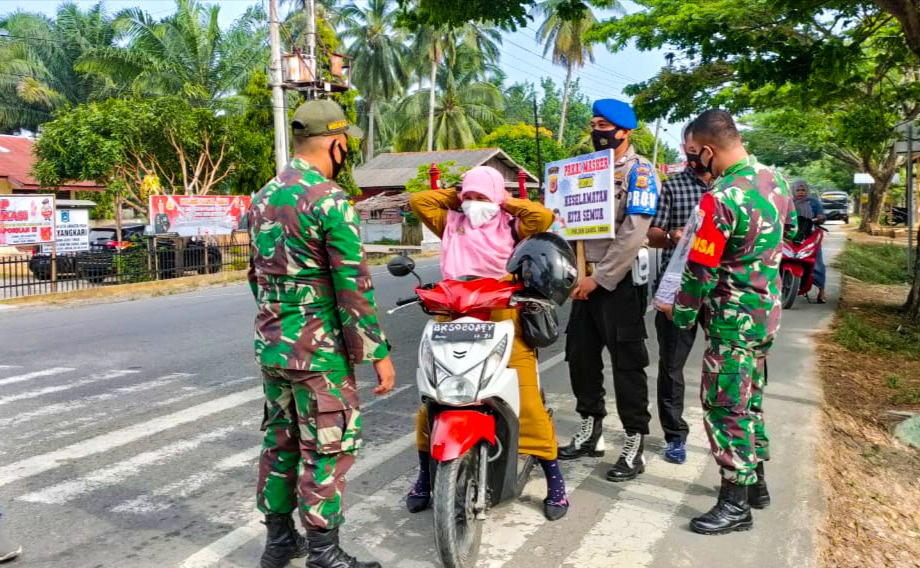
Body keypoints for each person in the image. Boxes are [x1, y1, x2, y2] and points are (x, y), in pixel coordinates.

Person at [248, 99, 395, 568]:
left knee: (280, 442)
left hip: (274, 345)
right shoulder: (329, 199)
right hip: (319, 353)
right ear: (335, 143)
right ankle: (324, 553)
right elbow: (353, 286)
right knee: (326, 448)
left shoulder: (262, 196)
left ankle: (278, 542)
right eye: (345, 141)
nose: (346, 148)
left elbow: (256, 276)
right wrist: (377, 353)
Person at [658, 110, 797, 535]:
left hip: (731, 321)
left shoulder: (720, 197)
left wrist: (678, 312)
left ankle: (735, 504)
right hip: (764, 314)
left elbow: (700, 270)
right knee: (750, 398)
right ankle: (757, 486)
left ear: (707, 149)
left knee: (725, 407)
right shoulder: (775, 180)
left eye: (691, 155)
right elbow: (787, 233)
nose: (691, 163)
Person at [406, 166, 570, 521]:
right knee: (434, 400)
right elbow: (419, 201)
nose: (474, 205)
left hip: (502, 315)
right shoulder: (452, 221)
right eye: (469, 198)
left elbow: (541, 217)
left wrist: (503, 201)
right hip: (452, 313)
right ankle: (423, 477)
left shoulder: (513, 225)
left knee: (524, 401)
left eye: (482, 198)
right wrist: (459, 195)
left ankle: (555, 479)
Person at [558, 98, 660, 485]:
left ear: (624, 131)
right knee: (580, 358)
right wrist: (574, 275)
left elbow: (635, 231)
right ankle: (591, 429)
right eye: (594, 123)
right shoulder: (582, 170)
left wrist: (599, 278)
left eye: (604, 125)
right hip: (581, 281)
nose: (597, 131)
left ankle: (634, 443)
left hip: (618, 282)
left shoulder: (641, 172)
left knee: (627, 365)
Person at [647, 130, 713, 465]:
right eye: (686, 148)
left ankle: (732, 440)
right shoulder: (672, 185)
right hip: (677, 288)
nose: (692, 154)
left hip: (719, 290)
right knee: (671, 366)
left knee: (726, 367)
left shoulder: (730, 188)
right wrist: (673, 237)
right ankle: (675, 436)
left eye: (696, 148)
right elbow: (653, 234)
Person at [792, 179, 827, 303]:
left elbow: (821, 215)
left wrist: (820, 218)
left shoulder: (814, 202)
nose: (800, 192)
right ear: (793, 191)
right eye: (798, 190)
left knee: (817, 262)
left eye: (803, 190)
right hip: (791, 235)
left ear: (807, 191)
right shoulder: (789, 203)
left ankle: (821, 291)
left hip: (810, 234)